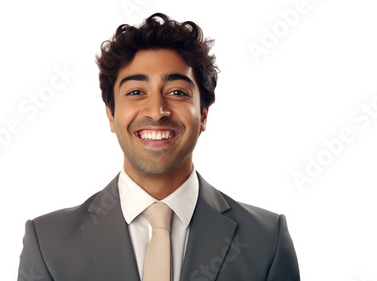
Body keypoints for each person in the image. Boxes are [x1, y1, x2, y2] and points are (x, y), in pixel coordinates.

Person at [17, 13, 300, 281]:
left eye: (177, 92)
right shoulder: (47, 242)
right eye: (136, 92)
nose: (157, 111)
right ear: (111, 115)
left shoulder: (267, 240)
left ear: (203, 114)